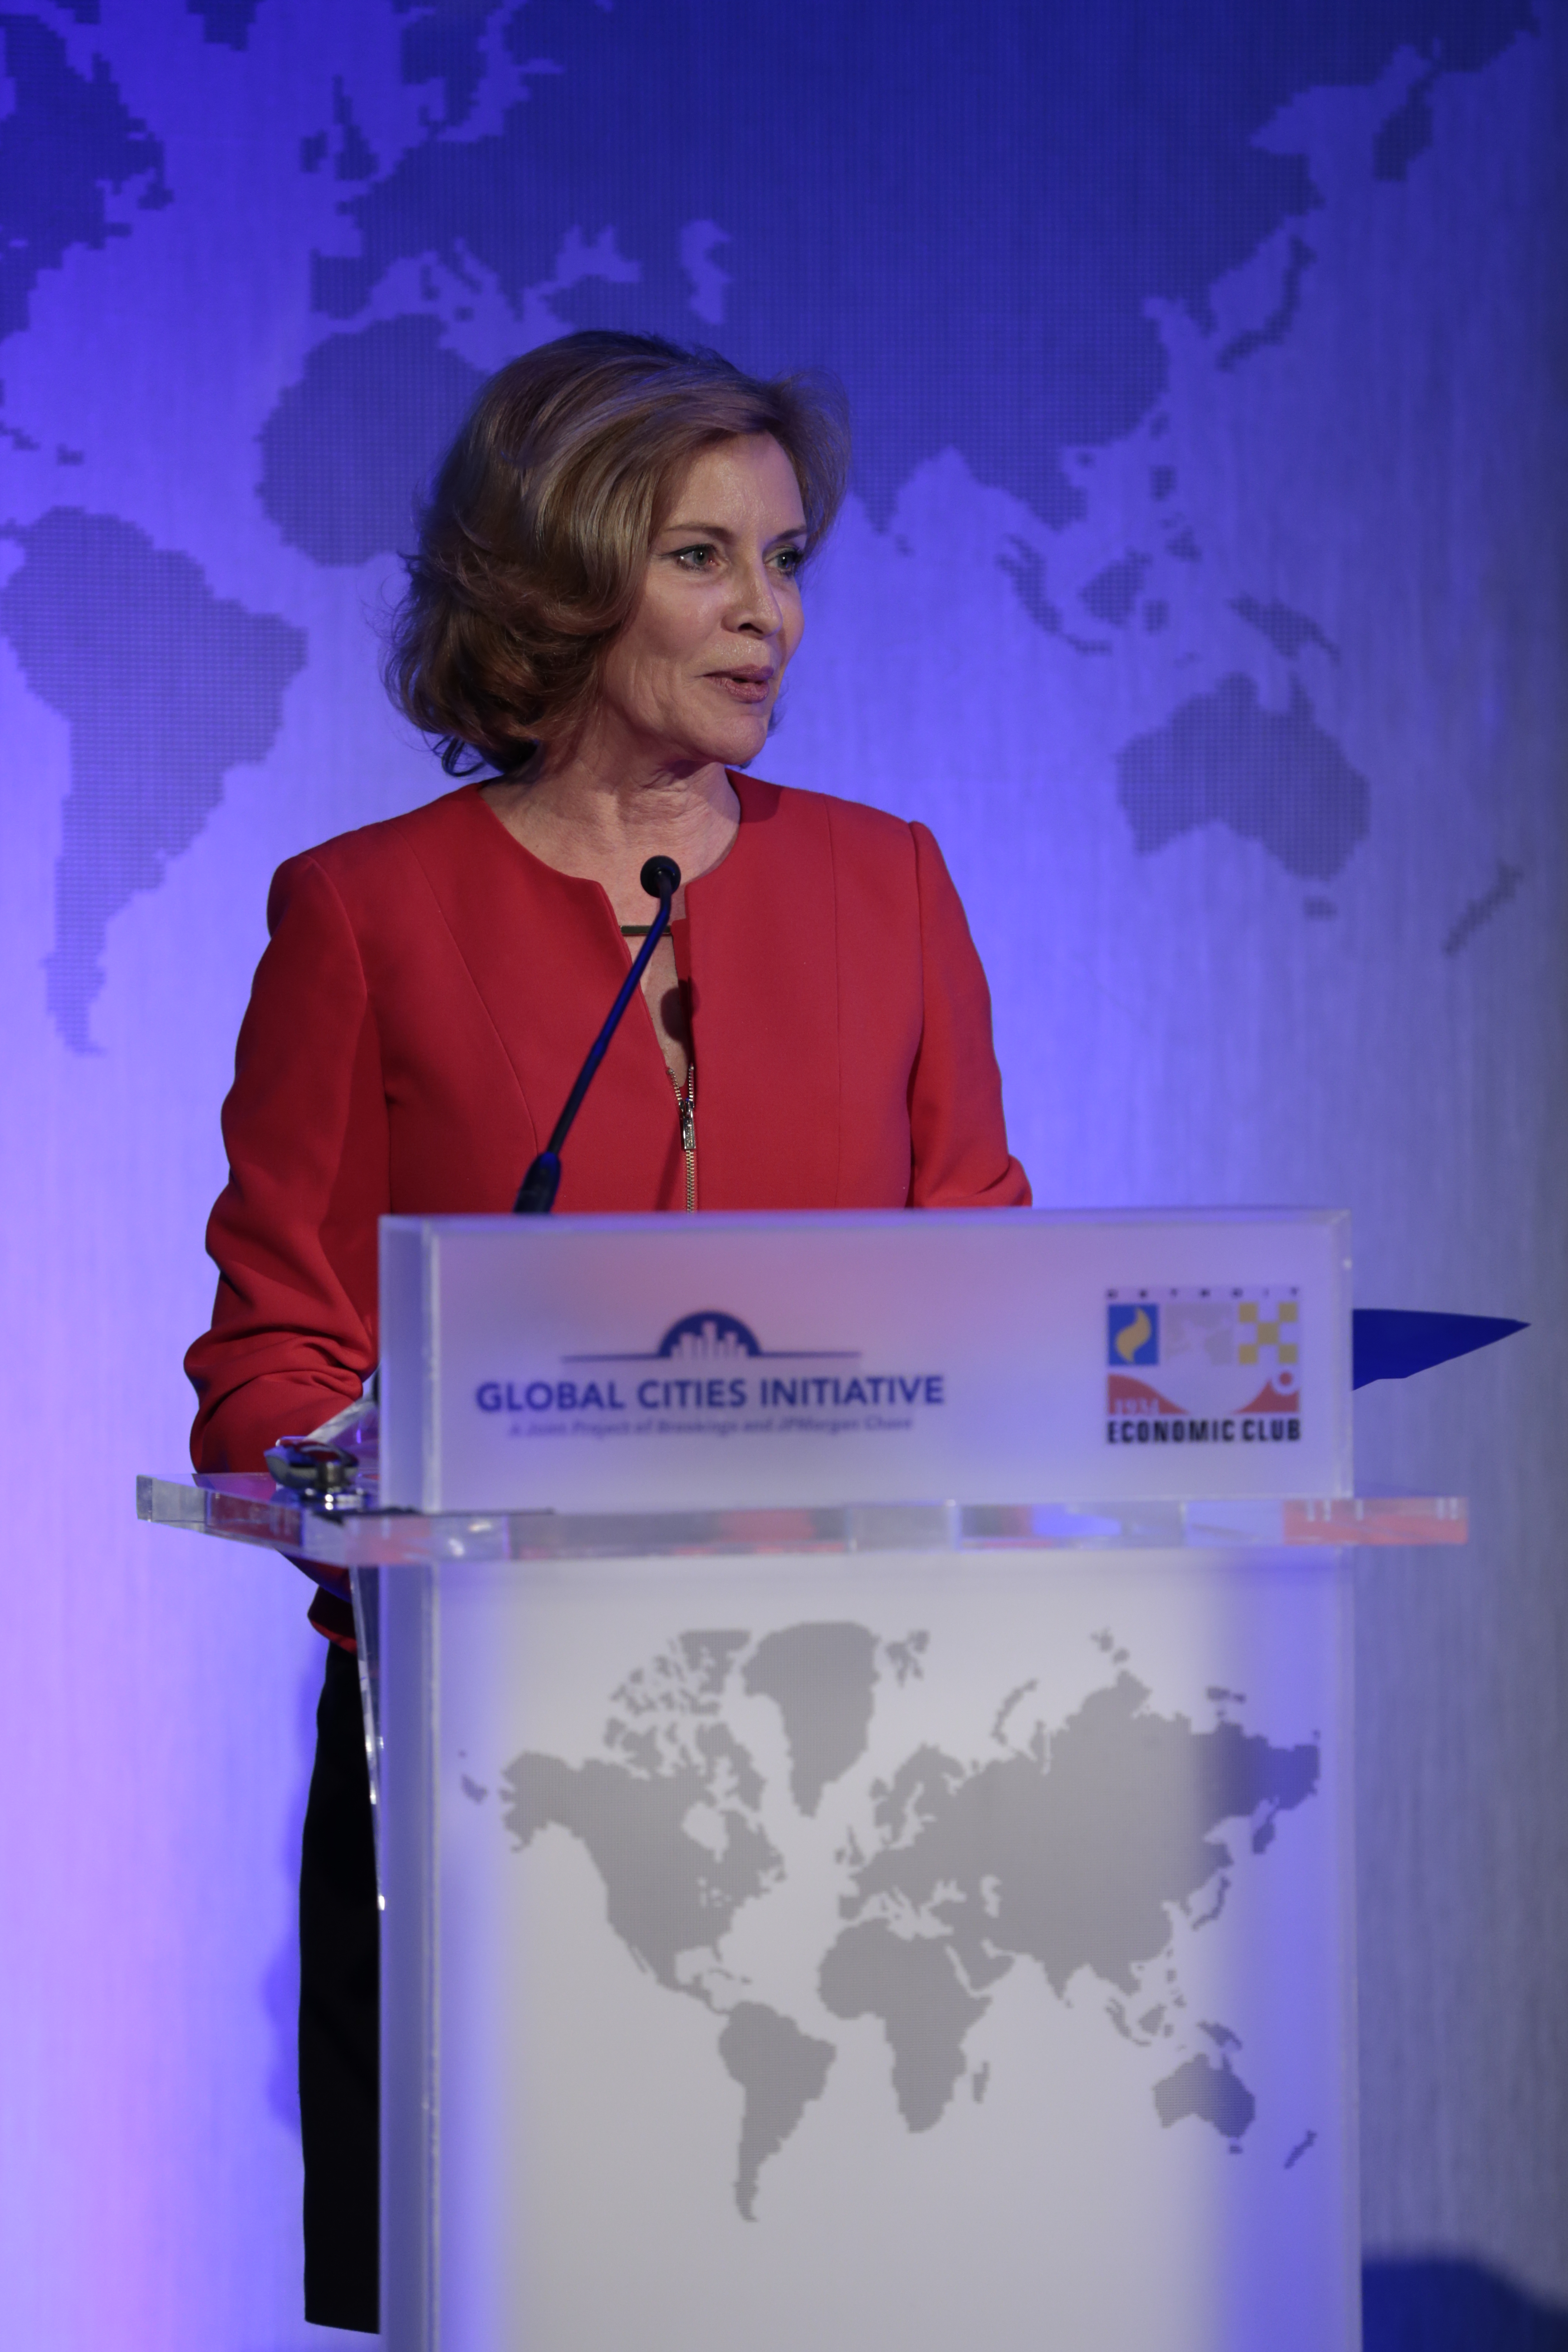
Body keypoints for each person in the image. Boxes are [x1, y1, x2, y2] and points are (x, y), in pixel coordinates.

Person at [185, 330, 1029, 2332]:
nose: (769, 615)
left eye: (788, 560)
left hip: (848, 1764)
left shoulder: (891, 887)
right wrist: (352, 1465)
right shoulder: (363, 914)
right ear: (563, 580)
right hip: (498, 1766)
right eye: (702, 559)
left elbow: (990, 1294)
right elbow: (271, 1352)